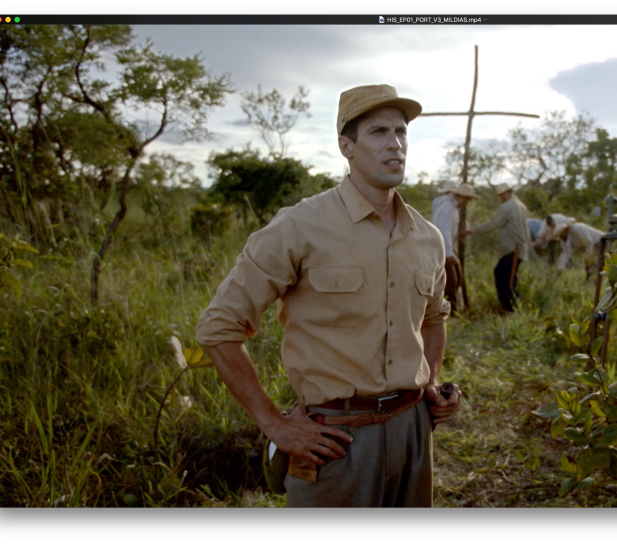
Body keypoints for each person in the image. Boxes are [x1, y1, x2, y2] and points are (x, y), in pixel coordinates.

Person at [195, 84, 462, 507]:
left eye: (401, 132)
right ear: (346, 146)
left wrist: (431, 382)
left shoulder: (426, 238)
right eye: (378, 132)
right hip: (337, 441)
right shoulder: (299, 227)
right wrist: (275, 425)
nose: (395, 144)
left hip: (414, 433)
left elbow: (433, 319)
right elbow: (218, 327)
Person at [461, 183, 529, 313]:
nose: (501, 197)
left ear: (506, 193)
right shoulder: (520, 205)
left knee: (505, 278)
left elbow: (493, 223)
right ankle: (510, 305)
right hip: (516, 247)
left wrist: (472, 231)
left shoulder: (508, 206)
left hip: (513, 248)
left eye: (501, 195)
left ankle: (509, 307)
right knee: (505, 275)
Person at [431, 183, 477, 314]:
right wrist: (449, 254)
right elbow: (444, 231)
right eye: (467, 199)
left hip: (446, 248)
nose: (467, 202)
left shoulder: (452, 207)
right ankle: (449, 312)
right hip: (443, 249)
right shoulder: (447, 207)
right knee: (451, 282)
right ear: (461, 197)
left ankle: (453, 310)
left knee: (456, 279)